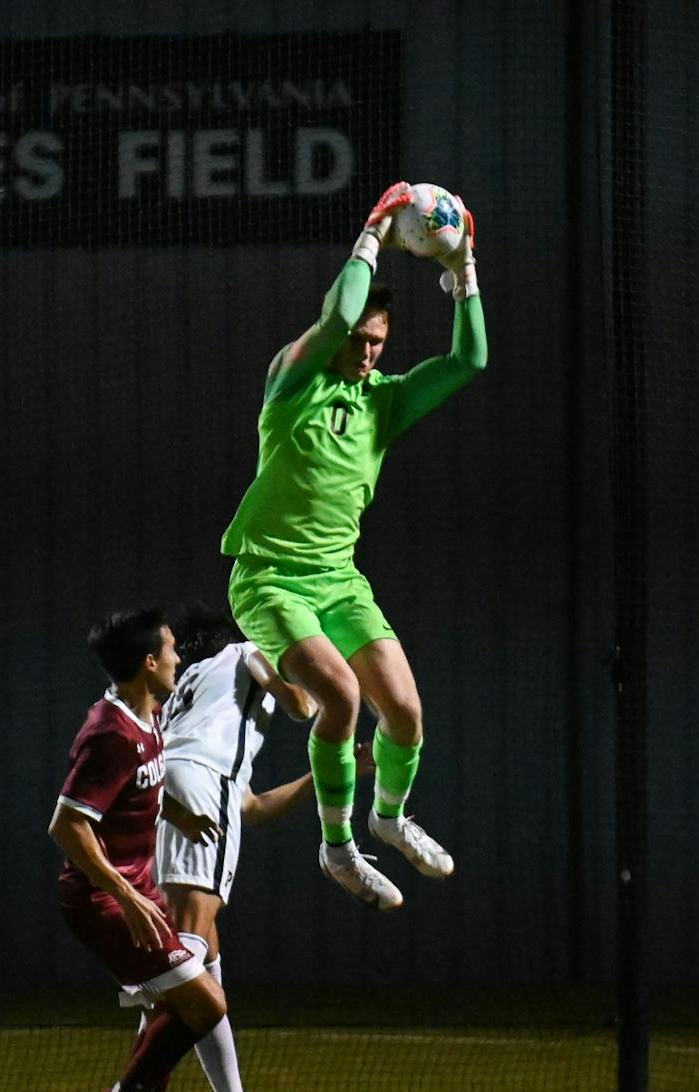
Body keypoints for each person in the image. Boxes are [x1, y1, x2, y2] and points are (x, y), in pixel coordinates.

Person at [219, 181, 488, 909]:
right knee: (338, 695)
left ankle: (389, 819)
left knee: (404, 713)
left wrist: (464, 272)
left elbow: (469, 360)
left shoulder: (384, 402)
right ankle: (337, 847)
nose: (367, 351)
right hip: (269, 578)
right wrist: (373, 233)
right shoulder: (292, 380)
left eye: (377, 342)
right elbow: (338, 313)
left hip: (339, 580)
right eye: (360, 340)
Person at [134, 603, 371, 1092]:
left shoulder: (192, 694)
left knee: (202, 968)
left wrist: (328, 775)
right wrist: (315, 669)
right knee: (188, 959)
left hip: (171, 795)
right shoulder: (246, 652)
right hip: (202, 789)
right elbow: (303, 705)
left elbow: (252, 807)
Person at [48, 607, 222, 1092]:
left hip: (137, 888)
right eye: (170, 649)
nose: (178, 657)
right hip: (101, 901)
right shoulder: (111, 734)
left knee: (177, 1005)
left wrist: (178, 814)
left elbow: (139, 788)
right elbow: (68, 826)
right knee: (204, 1005)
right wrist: (124, 895)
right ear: (149, 662)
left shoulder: (149, 717)